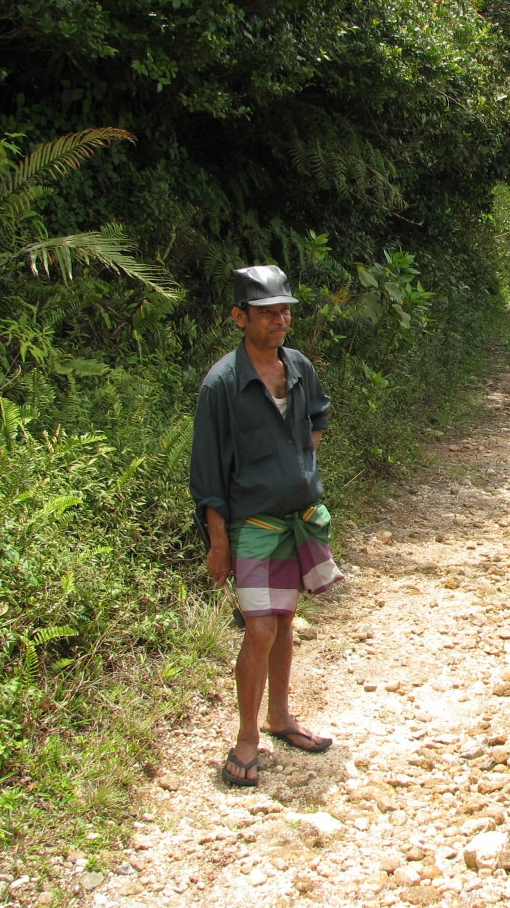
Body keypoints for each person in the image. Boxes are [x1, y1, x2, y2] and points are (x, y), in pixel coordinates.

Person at [190, 265, 344, 788]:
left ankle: (281, 717)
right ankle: (246, 738)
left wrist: (298, 465)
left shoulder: (298, 367)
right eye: (267, 312)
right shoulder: (222, 385)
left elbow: (317, 417)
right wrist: (218, 543)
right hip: (252, 524)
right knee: (259, 628)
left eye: (285, 311)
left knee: (282, 621)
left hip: (298, 520)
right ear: (239, 317)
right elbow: (208, 473)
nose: (280, 320)